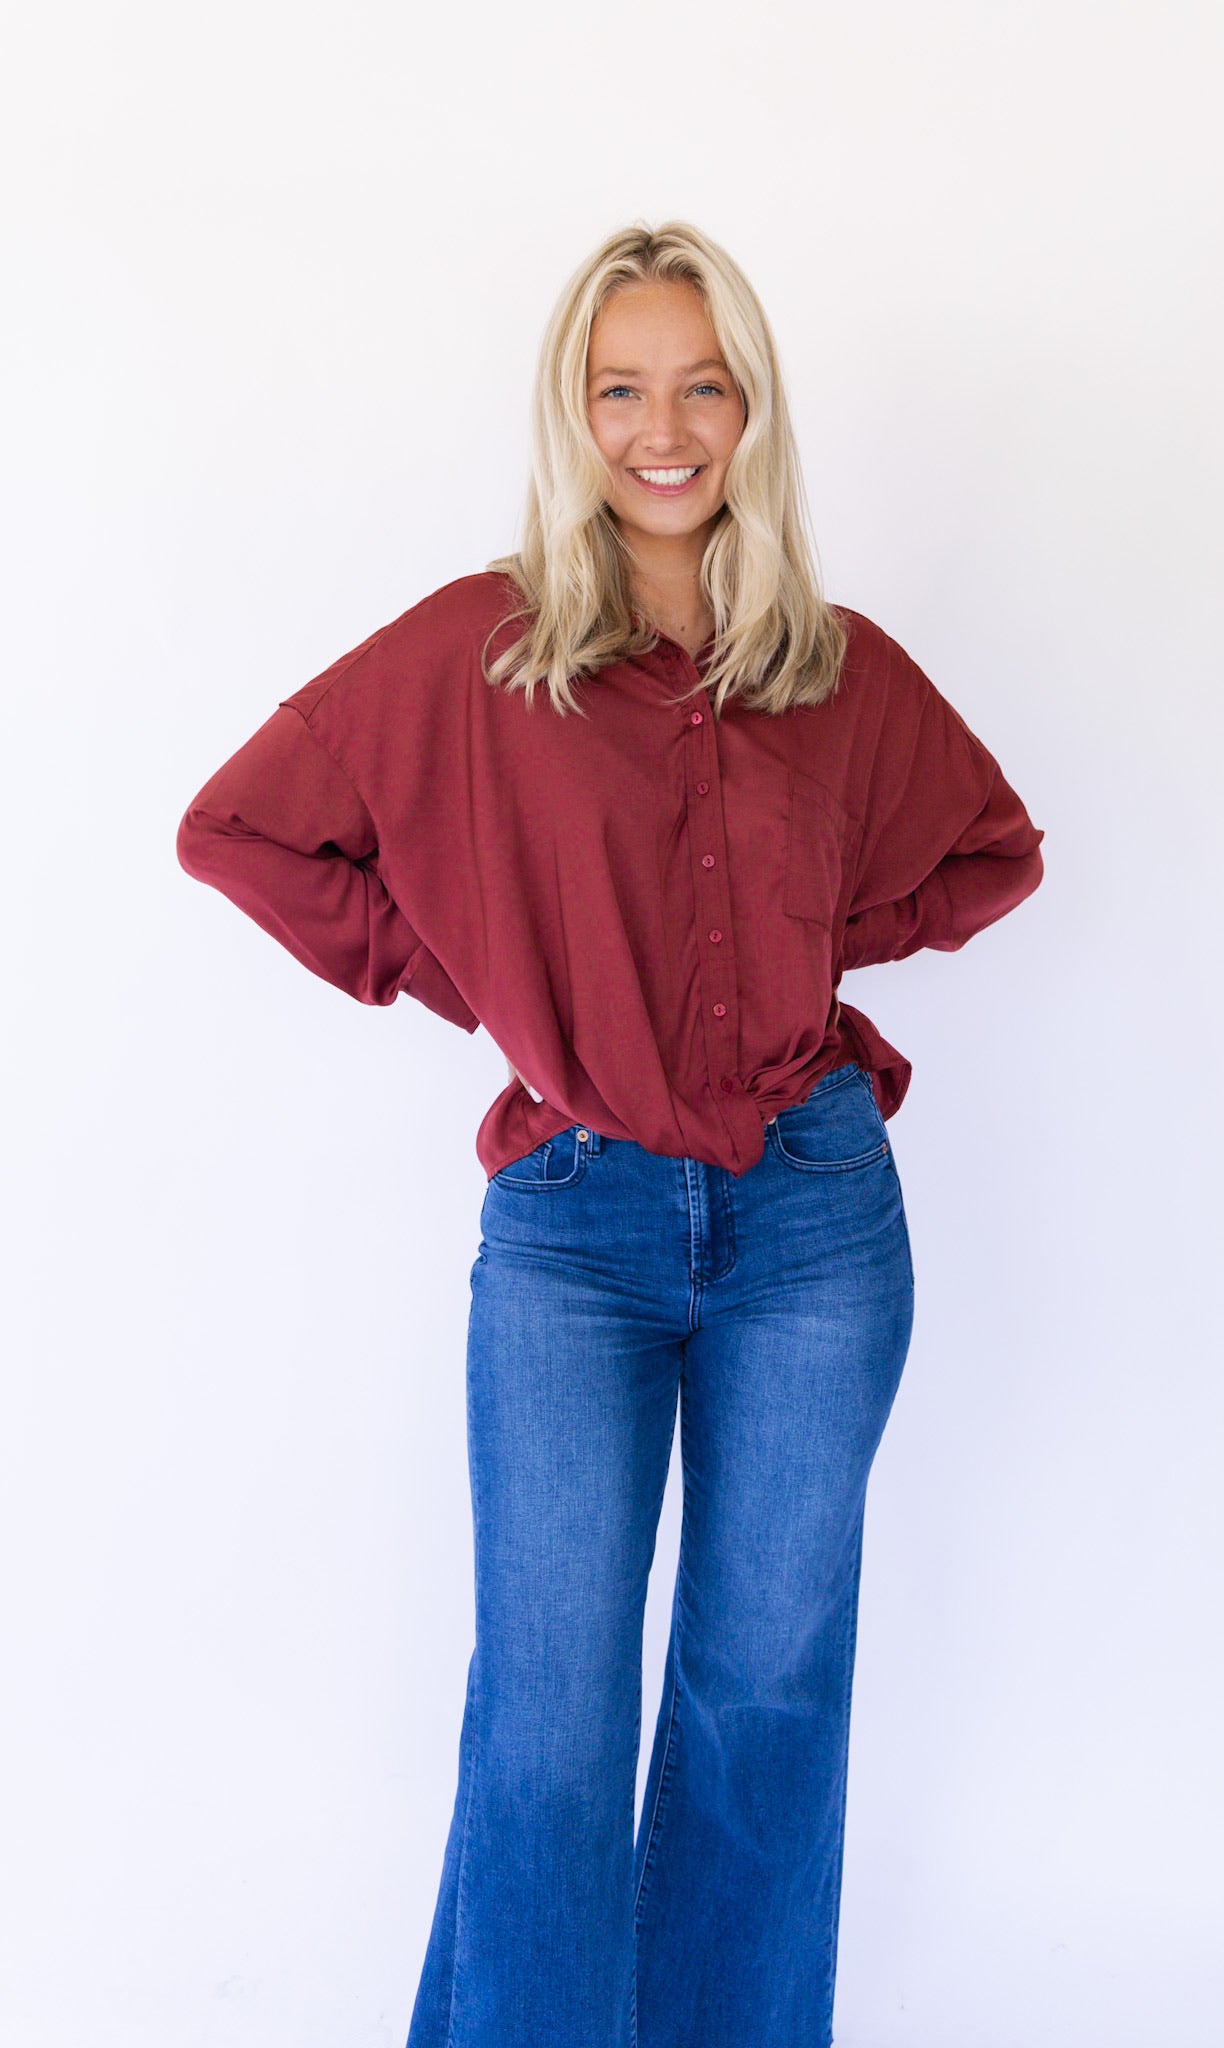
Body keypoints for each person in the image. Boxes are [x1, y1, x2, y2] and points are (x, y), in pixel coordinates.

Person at [176, 219, 1045, 2048]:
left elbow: (992, 852)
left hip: (814, 1223)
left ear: (752, 410)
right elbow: (241, 834)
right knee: (550, 1717)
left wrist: (808, 949)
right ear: (571, 414)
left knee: (765, 1696)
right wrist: (487, 978)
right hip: (574, 1231)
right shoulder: (472, 656)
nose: (666, 428)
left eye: (703, 383)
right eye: (620, 386)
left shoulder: (835, 668)